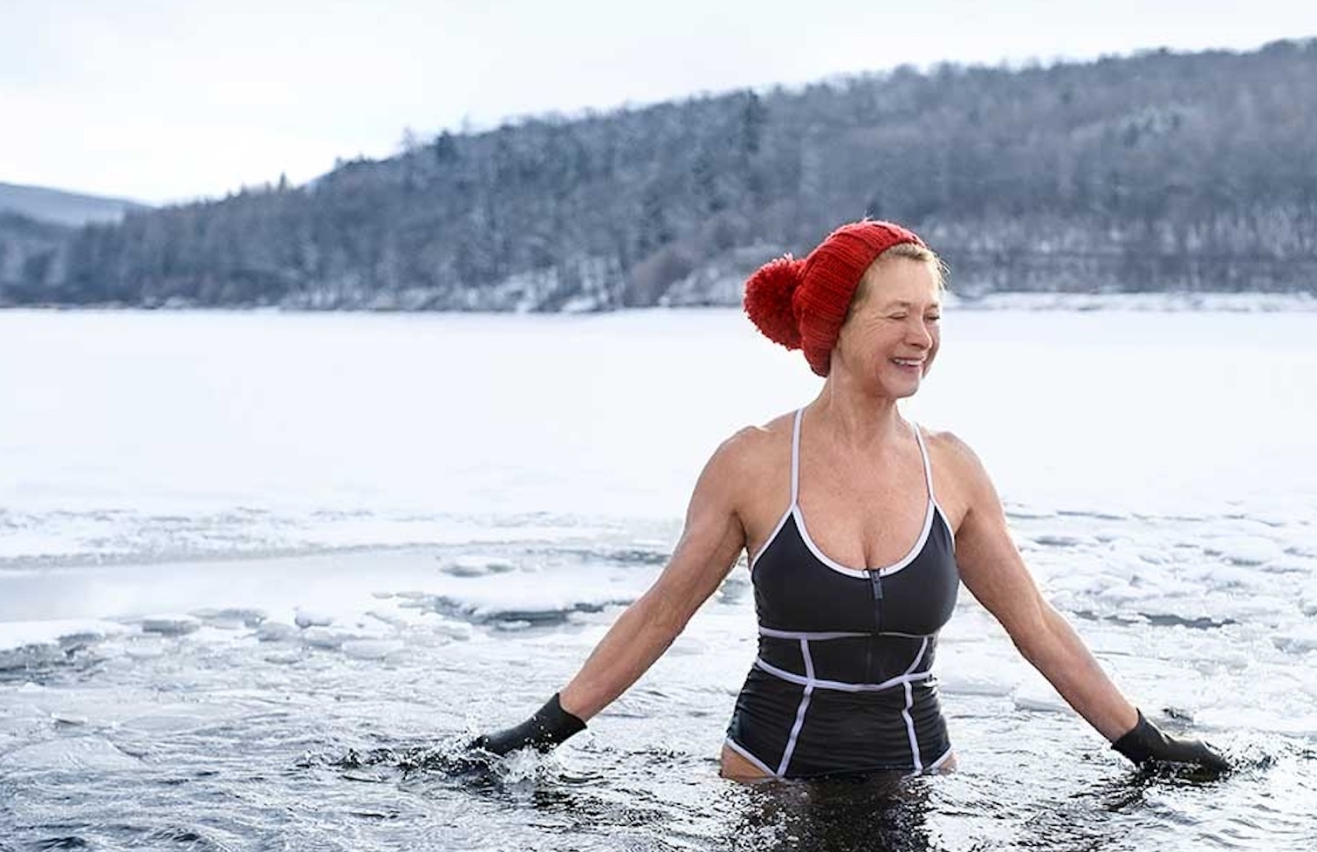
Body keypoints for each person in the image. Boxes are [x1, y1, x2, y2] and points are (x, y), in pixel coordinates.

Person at [472, 220, 1227, 779]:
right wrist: (539, 734)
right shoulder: (754, 463)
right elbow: (661, 613)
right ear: (837, 326)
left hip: (920, 778)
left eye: (931, 315)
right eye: (897, 314)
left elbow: (1034, 624)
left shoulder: (953, 469)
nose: (920, 336)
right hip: (771, 781)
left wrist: (1144, 745)